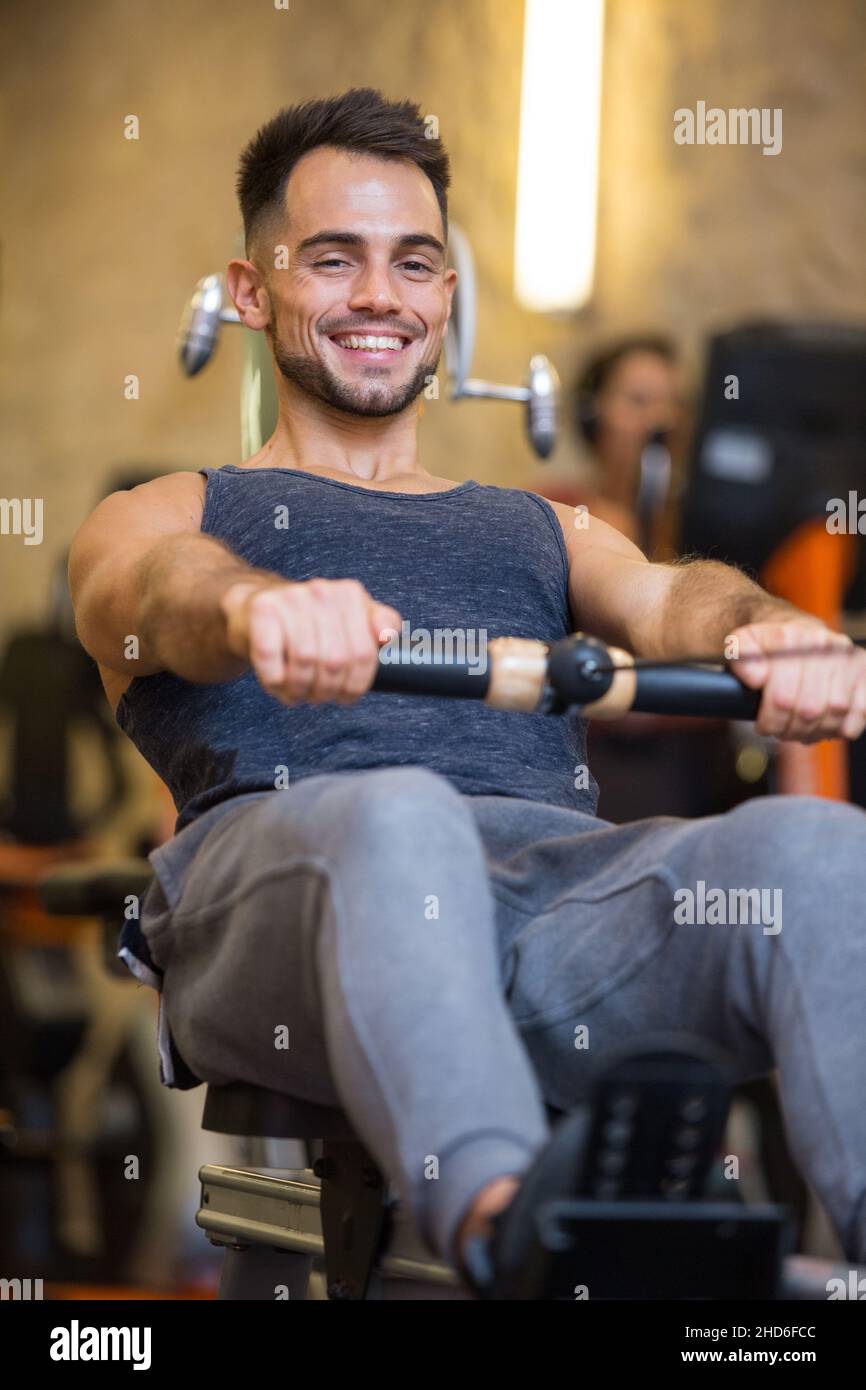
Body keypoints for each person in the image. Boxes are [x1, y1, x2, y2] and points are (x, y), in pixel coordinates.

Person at [68, 88, 866, 1293]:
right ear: (250, 290)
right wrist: (249, 609)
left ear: (446, 297)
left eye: (414, 264)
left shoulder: (539, 525)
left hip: (548, 906)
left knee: (817, 850)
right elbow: (146, 590)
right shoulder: (178, 513)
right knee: (399, 813)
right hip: (286, 905)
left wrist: (765, 631)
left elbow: (667, 600)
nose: (380, 296)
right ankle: (515, 1228)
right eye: (333, 260)